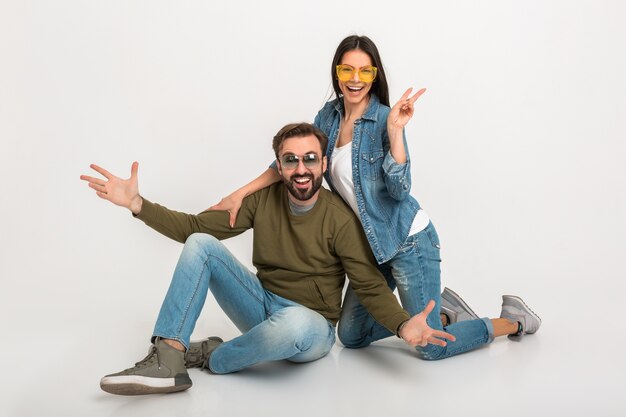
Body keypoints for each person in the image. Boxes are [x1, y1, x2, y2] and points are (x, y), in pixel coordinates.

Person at [208, 35, 541, 360]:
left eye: (365, 71)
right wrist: (239, 194)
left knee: (427, 347)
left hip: (408, 241)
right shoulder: (328, 116)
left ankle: (513, 320)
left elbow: (399, 190)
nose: (355, 80)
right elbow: (288, 162)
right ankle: (443, 313)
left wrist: (396, 132)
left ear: (374, 75)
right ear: (336, 73)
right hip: (372, 246)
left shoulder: (384, 118)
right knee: (351, 336)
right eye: (347, 70)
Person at [80, 122, 456, 396]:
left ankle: (214, 356)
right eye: (290, 160)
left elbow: (369, 286)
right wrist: (136, 204)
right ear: (279, 167)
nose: (301, 168)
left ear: (324, 165)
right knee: (200, 243)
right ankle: (168, 357)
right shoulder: (261, 201)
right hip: (261, 305)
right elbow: (192, 226)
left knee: (293, 323)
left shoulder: (339, 219)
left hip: (311, 329)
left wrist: (404, 325)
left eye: (310, 159)